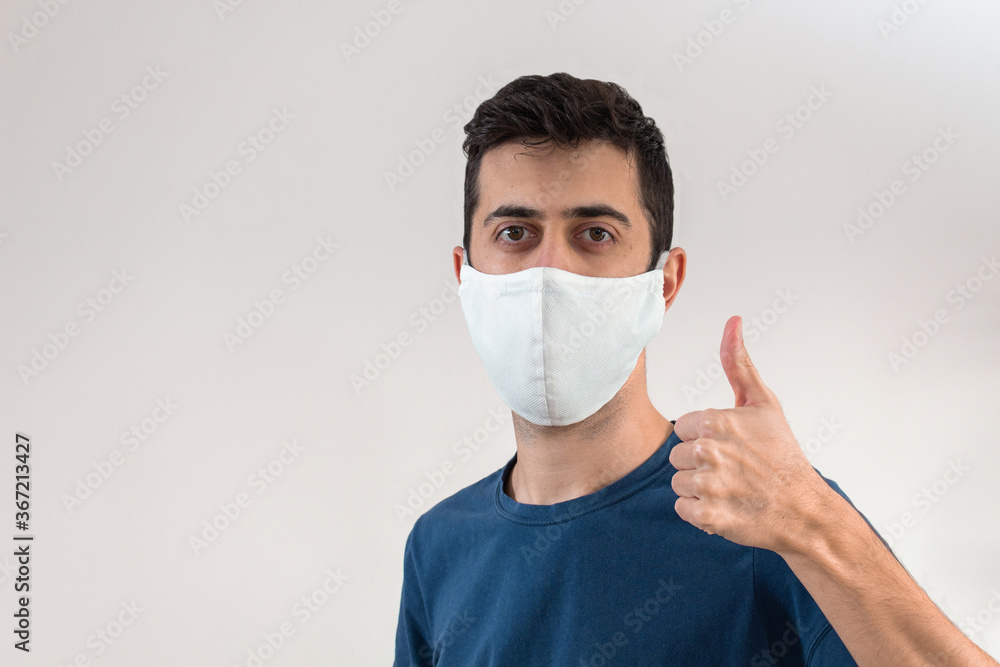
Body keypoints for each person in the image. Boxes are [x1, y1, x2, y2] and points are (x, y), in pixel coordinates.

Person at [393, 72, 996, 666]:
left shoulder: (761, 515)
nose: (551, 274)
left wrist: (814, 521)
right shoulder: (439, 545)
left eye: (595, 233)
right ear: (464, 273)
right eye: (515, 232)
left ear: (665, 282)